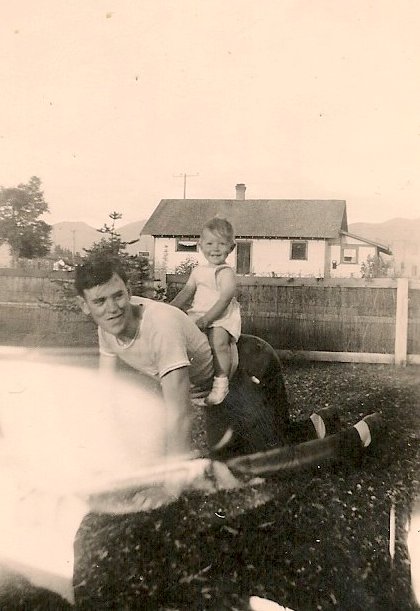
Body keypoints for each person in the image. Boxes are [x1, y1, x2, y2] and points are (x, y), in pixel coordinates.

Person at [75, 257, 215, 457]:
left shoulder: (160, 325)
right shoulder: (106, 326)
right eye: (99, 301)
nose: (112, 308)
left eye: (118, 296)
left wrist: (173, 485)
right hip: (191, 390)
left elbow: (180, 415)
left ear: (129, 291)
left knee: (243, 465)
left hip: (237, 375)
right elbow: (106, 392)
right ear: (84, 305)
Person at [171, 217, 241, 405]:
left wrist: (207, 319)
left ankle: (221, 382)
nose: (215, 248)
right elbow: (186, 292)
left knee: (218, 341)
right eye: (209, 243)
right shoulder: (197, 271)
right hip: (198, 314)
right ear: (201, 246)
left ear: (231, 248)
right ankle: (189, 381)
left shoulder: (226, 272)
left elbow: (225, 298)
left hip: (220, 316)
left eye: (221, 243)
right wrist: (169, 309)